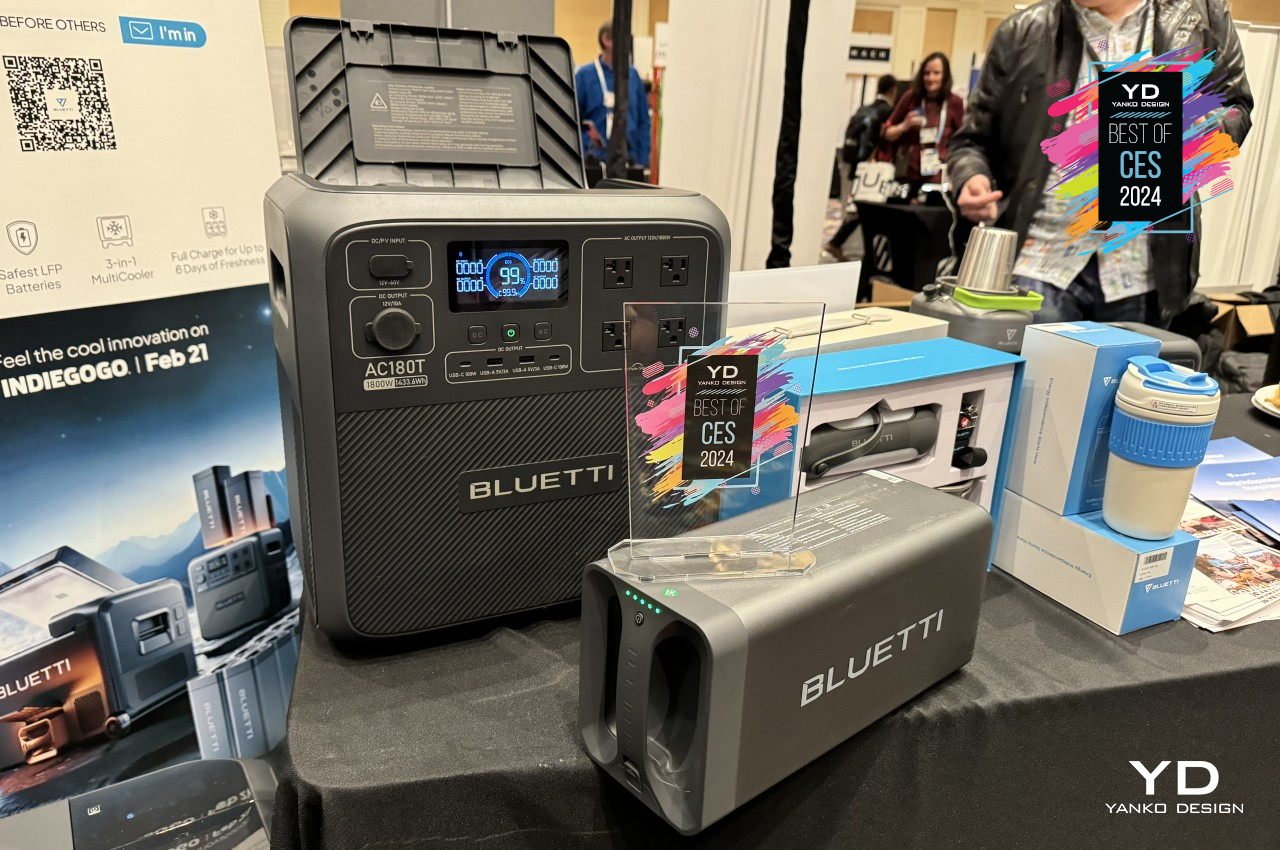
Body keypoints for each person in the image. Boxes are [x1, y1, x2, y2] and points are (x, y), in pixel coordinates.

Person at [948, 0, 1253, 325]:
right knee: (1038, 359)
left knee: (1134, 360)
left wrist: (1207, 129)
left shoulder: (1197, 17)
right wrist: (972, 176)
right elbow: (972, 140)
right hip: (1041, 262)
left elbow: (1236, 107)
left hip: (1144, 270)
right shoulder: (1023, 32)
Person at [825, 74, 898, 261]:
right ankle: (842, 245)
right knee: (866, 209)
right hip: (875, 168)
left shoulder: (864, 108)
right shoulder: (888, 111)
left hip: (854, 164)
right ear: (893, 90)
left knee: (856, 206)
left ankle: (840, 244)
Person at [880, 53, 964, 197]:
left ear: (945, 75)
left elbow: (963, 139)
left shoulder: (954, 102)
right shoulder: (911, 97)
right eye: (927, 73)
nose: (931, 78)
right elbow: (887, 134)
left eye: (936, 73)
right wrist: (905, 125)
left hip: (940, 179)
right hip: (909, 176)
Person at [575, 21, 652, 176]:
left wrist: (642, 161)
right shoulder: (584, 76)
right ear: (606, 40)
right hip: (594, 165)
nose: (627, 45)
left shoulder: (633, 76)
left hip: (629, 163)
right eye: (623, 39)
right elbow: (573, 121)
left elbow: (643, 121)